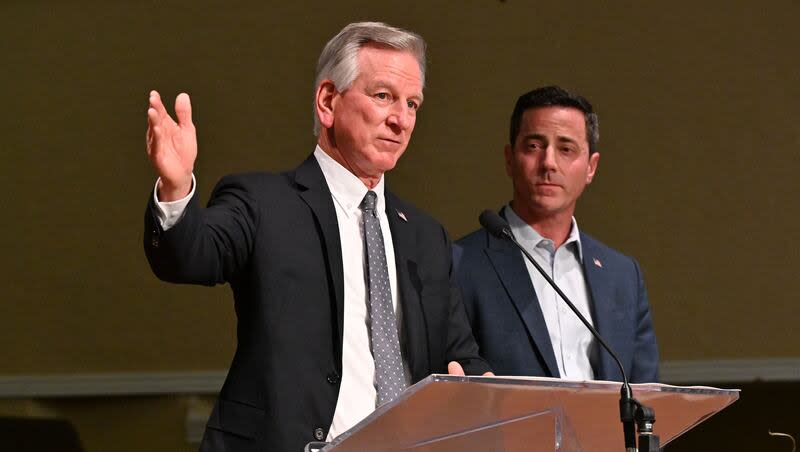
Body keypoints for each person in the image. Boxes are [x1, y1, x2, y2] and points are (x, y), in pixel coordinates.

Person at [143, 22, 490, 452]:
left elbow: (461, 355)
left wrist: (483, 389)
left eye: (413, 104)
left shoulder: (424, 236)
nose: (401, 120)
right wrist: (176, 189)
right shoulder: (264, 203)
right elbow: (189, 256)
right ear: (328, 101)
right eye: (384, 96)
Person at [454, 86, 658, 383]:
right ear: (510, 159)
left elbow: (645, 395)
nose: (549, 162)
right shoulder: (459, 264)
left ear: (591, 167)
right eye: (534, 146)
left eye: (566, 149)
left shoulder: (623, 276)